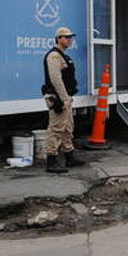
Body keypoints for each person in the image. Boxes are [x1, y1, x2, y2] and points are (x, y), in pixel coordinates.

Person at [42, 27, 85, 173]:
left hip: (65, 98)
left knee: (67, 129)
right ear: (58, 38)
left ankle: (69, 157)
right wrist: (64, 98)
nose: (70, 40)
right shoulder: (54, 56)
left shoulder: (63, 55)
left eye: (70, 37)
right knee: (56, 129)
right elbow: (55, 79)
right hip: (58, 99)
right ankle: (51, 161)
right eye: (66, 37)